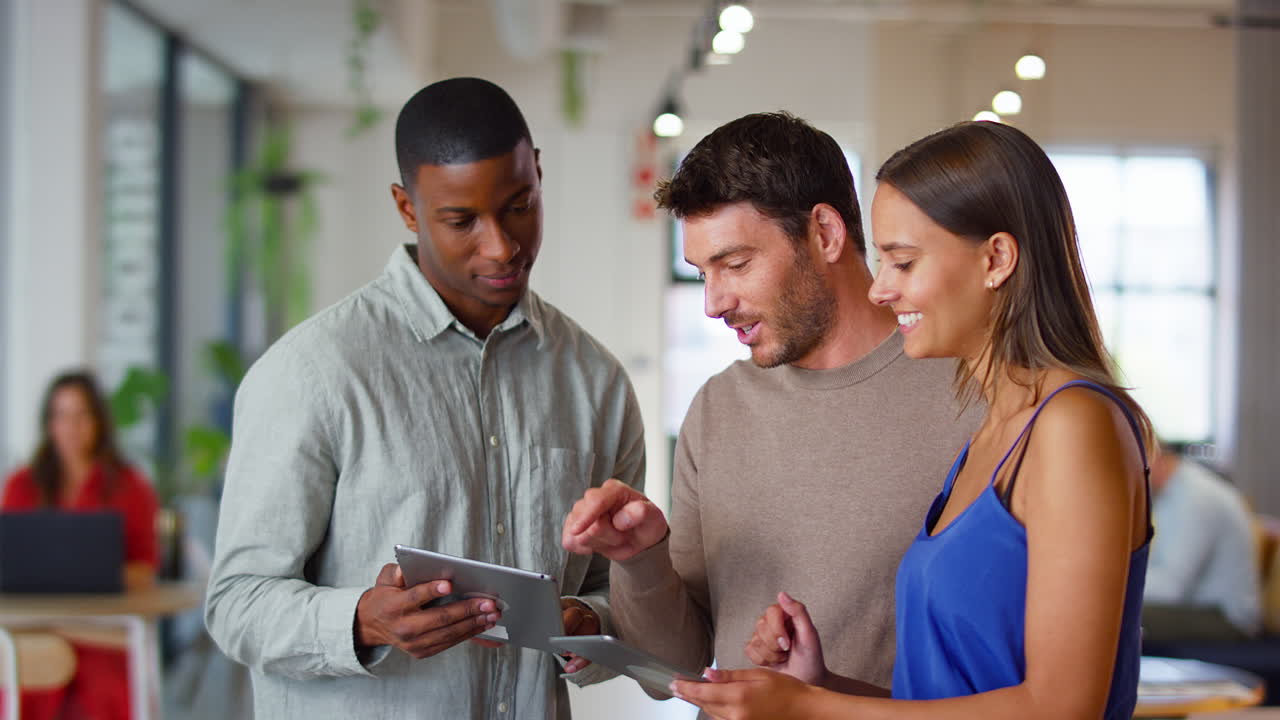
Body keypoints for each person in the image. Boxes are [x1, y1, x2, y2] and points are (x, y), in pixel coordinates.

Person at [669, 120, 1155, 720]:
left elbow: (1062, 708)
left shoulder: (1073, 424)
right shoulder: (991, 431)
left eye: (902, 262)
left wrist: (813, 710)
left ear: (996, 259)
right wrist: (822, 685)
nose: (880, 289)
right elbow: (948, 698)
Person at [204, 78, 645, 720]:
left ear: (539, 175)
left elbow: (620, 593)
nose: (500, 245)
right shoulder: (310, 373)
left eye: (519, 205)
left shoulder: (595, 381)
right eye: (461, 220)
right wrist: (360, 622)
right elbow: (235, 603)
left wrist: (587, 623)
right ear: (407, 209)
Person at [561, 112, 979, 703]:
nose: (713, 302)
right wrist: (639, 559)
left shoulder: (972, 394)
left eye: (736, 264)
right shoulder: (718, 409)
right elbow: (673, 668)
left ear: (827, 234)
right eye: (702, 272)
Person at [1, 370, 159, 720]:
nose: (71, 426)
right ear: (49, 424)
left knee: (104, 690)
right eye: (61, 415)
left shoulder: (129, 486)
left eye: (81, 414)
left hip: (100, 634)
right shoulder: (21, 485)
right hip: (33, 632)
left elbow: (144, 570)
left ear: (98, 421)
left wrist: (99, 579)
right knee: (22, 682)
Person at [1143, 443, 1261, 643]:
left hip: (1226, 617)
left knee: (1115, 614)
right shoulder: (1171, 494)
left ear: (1154, 457)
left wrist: (1114, 588)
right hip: (1198, 607)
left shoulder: (1194, 498)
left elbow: (1172, 589)